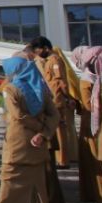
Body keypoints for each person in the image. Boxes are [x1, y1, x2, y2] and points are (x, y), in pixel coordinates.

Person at [0, 57, 58, 203]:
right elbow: (54, 115)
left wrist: (38, 128)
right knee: (36, 180)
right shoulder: (41, 87)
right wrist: (43, 133)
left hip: (18, 140)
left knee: (9, 176)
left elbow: (18, 115)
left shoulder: (12, 88)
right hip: (38, 143)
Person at [25, 37, 78, 168]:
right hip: (51, 99)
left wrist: (66, 97)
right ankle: (57, 157)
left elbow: (60, 82)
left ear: (45, 48)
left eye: (38, 50)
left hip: (58, 100)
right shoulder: (46, 61)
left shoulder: (54, 60)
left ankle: (64, 160)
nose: (37, 53)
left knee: (60, 130)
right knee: (52, 129)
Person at [70, 46, 102, 203]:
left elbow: (88, 105)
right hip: (98, 125)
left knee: (95, 164)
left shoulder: (87, 79)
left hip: (92, 128)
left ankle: (100, 198)